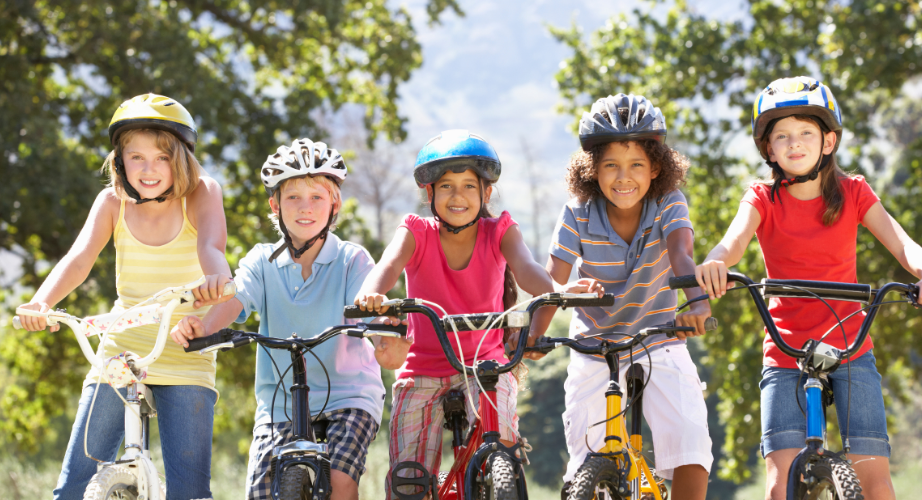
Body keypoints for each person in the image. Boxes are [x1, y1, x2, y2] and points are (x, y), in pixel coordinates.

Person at [693, 76, 922, 500]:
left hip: (850, 345)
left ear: (828, 141)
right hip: (785, 348)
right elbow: (733, 242)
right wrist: (717, 262)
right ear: (768, 149)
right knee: (779, 486)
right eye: (782, 136)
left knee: (876, 484)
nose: (795, 143)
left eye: (806, 133)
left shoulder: (854, 192)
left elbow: (902, 243)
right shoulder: (761, 197)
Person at [352, 129, 598, 499]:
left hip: (486, 367)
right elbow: (386, 267)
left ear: (486, 194)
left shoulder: (500, 231)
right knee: (409, 480)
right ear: (429, 193)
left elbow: (528, 268)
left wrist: (556, 291)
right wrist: (371, 293)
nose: (458, 196)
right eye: (446, 186)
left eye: (469, 186)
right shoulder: (416, 233)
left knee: (501, 452)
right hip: (423, 368)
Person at [16, 93, 231, 500]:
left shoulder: (202, 192)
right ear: (119, 160)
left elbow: (211, 248)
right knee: (73, 486)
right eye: (137, 158)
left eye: (162, 158)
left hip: (185, 349)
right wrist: (40, 303)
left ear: (180, 159)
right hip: (122, 351)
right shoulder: (112, 202)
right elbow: (78, 260)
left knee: (189, 491)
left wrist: (217, 280)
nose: (149, 170)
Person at [171, 138, 385, 500]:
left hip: (350, 393)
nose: (305, 208)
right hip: (280, 399)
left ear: (334, 204)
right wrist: (204, 327)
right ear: (275, 205)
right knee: (261, 491)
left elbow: (368, 309)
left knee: (340, 480)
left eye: (317, 197)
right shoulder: (261, 261)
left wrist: (383, 334)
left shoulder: (353, 260)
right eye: (293, 198)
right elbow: (236, 298)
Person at [547, 94, 714, 500]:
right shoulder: (578, 212)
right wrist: (532, 337)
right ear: (592, 171)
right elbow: (551, 283)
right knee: (584, 463)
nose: (624, 177)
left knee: (690, 444)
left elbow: (681, 256)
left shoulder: (668, 203)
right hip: (594, 346)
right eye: (611, 166)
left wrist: (697, 303)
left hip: (659, 339)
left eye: (636, 164)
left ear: (656, 167)